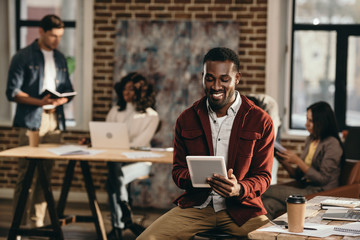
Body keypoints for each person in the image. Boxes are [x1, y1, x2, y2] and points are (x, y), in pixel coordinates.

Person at [137, 47, 274, 240]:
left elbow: (263, 176)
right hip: (196, 207)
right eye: (210, 78)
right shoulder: (186, 119)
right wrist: (194, 177)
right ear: (202, 78)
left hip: (242, 211)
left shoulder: (260, 120)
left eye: (224, 79)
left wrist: (239, 189)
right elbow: (177, 171)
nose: (216, 86)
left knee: (275, 237)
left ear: (237, 78)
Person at [6, 15, 74, 228]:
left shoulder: (61, 58)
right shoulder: (22, 56)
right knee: (26, 175)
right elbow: (12, 92)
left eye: (60, 36)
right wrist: (39, 101)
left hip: (54, 121)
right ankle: (19, 224)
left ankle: (37, 224)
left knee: (45, 175)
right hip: (31, 121)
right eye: (53, 35)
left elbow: (67, 88)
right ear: (41, 32)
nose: (56, 40)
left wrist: (64, 98)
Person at [262, 101, 343, 219]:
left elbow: (323, 180)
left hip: (319, 193)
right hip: (305, 188)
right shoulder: (311, 139)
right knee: (268, 204)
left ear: (322, 122)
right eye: (307, 119)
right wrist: (282, 159)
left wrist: (298, 161)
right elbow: (298, 175)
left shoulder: (332, 144)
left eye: (311, 121)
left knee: (263, 190)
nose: (306, 124)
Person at [105, 72, 160, 239]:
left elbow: (140, 144)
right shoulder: (115, 111)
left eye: (130, 89)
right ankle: (125, 217)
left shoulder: (151, 115)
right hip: (118, 161)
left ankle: (118, 226)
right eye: (124, 89)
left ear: (140, 92)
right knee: (116, 172)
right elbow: (107, 135)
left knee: (113, 180)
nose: (125, 93)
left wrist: (118, 146)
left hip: (141, 161)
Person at [246, 94, 281, 185]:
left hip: (273, 130)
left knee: (268, 156)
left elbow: (269, 136)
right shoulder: (243, 105)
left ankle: (269, 183)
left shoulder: (270, 107)